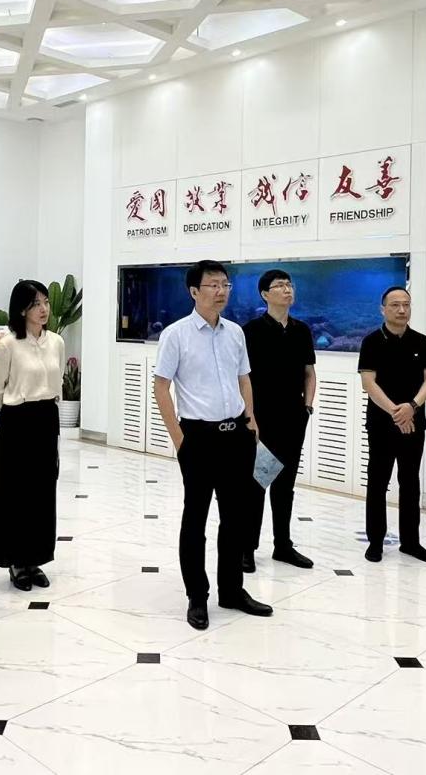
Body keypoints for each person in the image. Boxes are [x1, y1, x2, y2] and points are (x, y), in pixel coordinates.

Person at [153, 260, 272, 632]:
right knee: (196, 519)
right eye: (213, 285)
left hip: (236, 434)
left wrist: (250, 419)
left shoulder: (235, 332)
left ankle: (232, 591)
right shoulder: (175, 334)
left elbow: (244, 378)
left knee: (236, 518)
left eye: (225, 284)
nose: (221, 291)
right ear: (194, 291)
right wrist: (179, 439)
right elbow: (161, 387)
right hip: (198, 437)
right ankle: (197, 596)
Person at [0, 280, 65, 591]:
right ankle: (16, 559)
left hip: (47, 418)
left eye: (45, 302)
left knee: (42, 491)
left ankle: (35, 558)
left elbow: (57, 381)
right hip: (18, 420)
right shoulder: (8, 345)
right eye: (35, 304)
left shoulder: (56, 342)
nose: (43, 309)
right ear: (22, 310)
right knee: (15, 491)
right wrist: (17, 408)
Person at [242, 269, 316, 571]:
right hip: (261, 419)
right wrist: (249, 416)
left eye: (289, 284)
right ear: (265, 294)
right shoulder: (251, 331)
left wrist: (307, 407)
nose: (287, 290)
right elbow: (242, 378)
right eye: (280, 286)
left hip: (294, 418)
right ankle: (247, 548)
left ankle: (283, 545)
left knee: (286, 485)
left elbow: (309, 373)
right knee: (257, 483)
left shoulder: (302, 330)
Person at [358, 286, 426, 564]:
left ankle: (411, 542)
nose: (402, 310)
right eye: (395, 305)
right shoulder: (371, 341)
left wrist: (411, 407)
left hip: (414, 422)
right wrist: (396, 412)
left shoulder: (421, 341)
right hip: (382, 422)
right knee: (378, 482)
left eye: (406, 304)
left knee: (410, 481)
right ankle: (375, 541)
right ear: (383, 309)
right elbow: (369, 383)